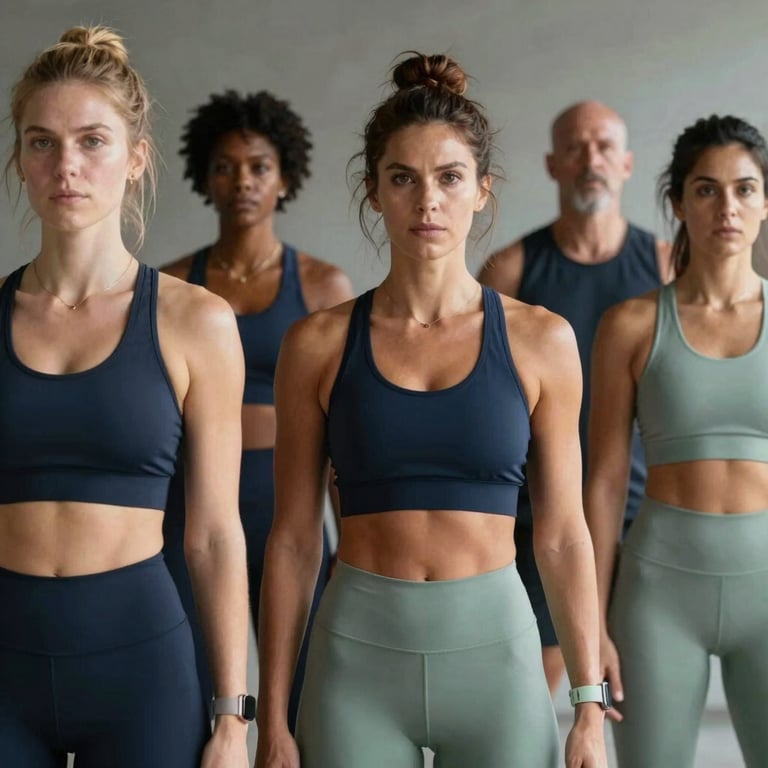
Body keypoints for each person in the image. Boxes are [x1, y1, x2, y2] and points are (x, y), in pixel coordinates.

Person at [256, 52, 608, 768]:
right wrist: (270, 718)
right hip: (354, 663)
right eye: (403, 179)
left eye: (449, 178)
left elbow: (565, 535)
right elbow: (293, 540)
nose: (428, 202)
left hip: (498, 661)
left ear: (482, 190)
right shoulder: (317, 345)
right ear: (374, 192)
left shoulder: (542, 341)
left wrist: (589, 707)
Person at [0, 27, 249, 768]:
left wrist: (235, 718)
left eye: (92, 141)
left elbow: (213, 535)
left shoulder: (195, 321)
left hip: (141, 667)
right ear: (18, 159)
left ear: (136, 158)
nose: (65, 166)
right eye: (41, 142)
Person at [161, 89, 353, 729]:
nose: (242, 180)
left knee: (300, 696)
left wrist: (352, 537)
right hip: (191, 511)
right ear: (205, 178)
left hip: (285, 507)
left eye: (259, 166)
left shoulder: (323, 287)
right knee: (188, 694)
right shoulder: (171, 286)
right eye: (226, 166)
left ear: (285, 177)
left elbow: (346, 425)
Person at [586, 115, 768, 767]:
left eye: (746, 189)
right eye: (706, 189)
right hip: (658, 590)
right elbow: (604, 480)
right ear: (677, 203)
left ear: (766, 201)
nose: (728, 207)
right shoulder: (631, 325)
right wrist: (591, 625)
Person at [479, 100, 671, 693]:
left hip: (640, 519)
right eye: (575, 147)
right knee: (532, 697)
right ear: (552, 164)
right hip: (539, 518)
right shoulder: (511, 268)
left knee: (644, 695)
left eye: (605, 146)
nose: (592, 159)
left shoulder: (666, 264)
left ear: (628, 163)